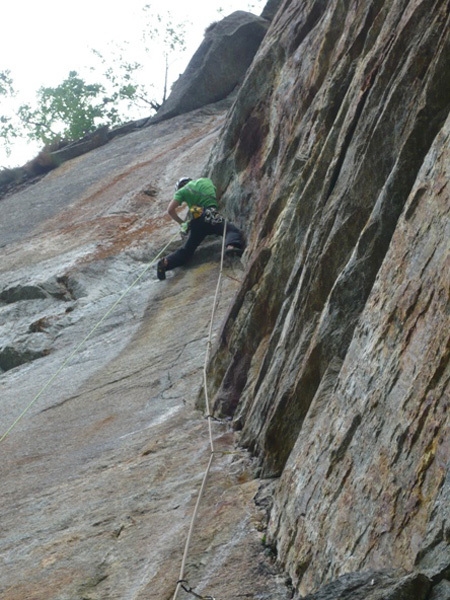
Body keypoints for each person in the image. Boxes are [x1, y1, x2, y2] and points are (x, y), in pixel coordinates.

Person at [157, 177, 244, 280]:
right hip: (210, 214)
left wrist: (182, 223)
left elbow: (170, 210)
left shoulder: (182, 191)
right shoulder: (206, 181)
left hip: (197, 221)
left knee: (187, 250)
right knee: (230, 230)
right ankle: (231, 247)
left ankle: (166, 263)